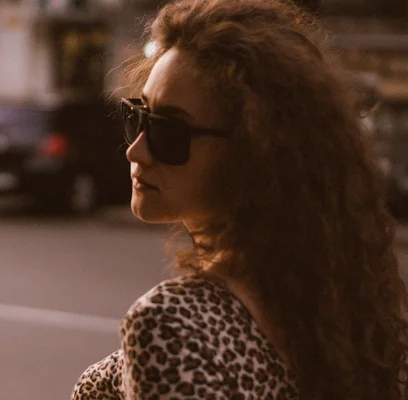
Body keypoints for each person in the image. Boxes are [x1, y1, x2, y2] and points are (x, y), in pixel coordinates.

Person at [71, 0, 408, 398]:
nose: (136, 151)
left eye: (169, 132)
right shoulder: (345, 308)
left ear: (255, 152)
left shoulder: (175, 325)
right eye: (138, 117)